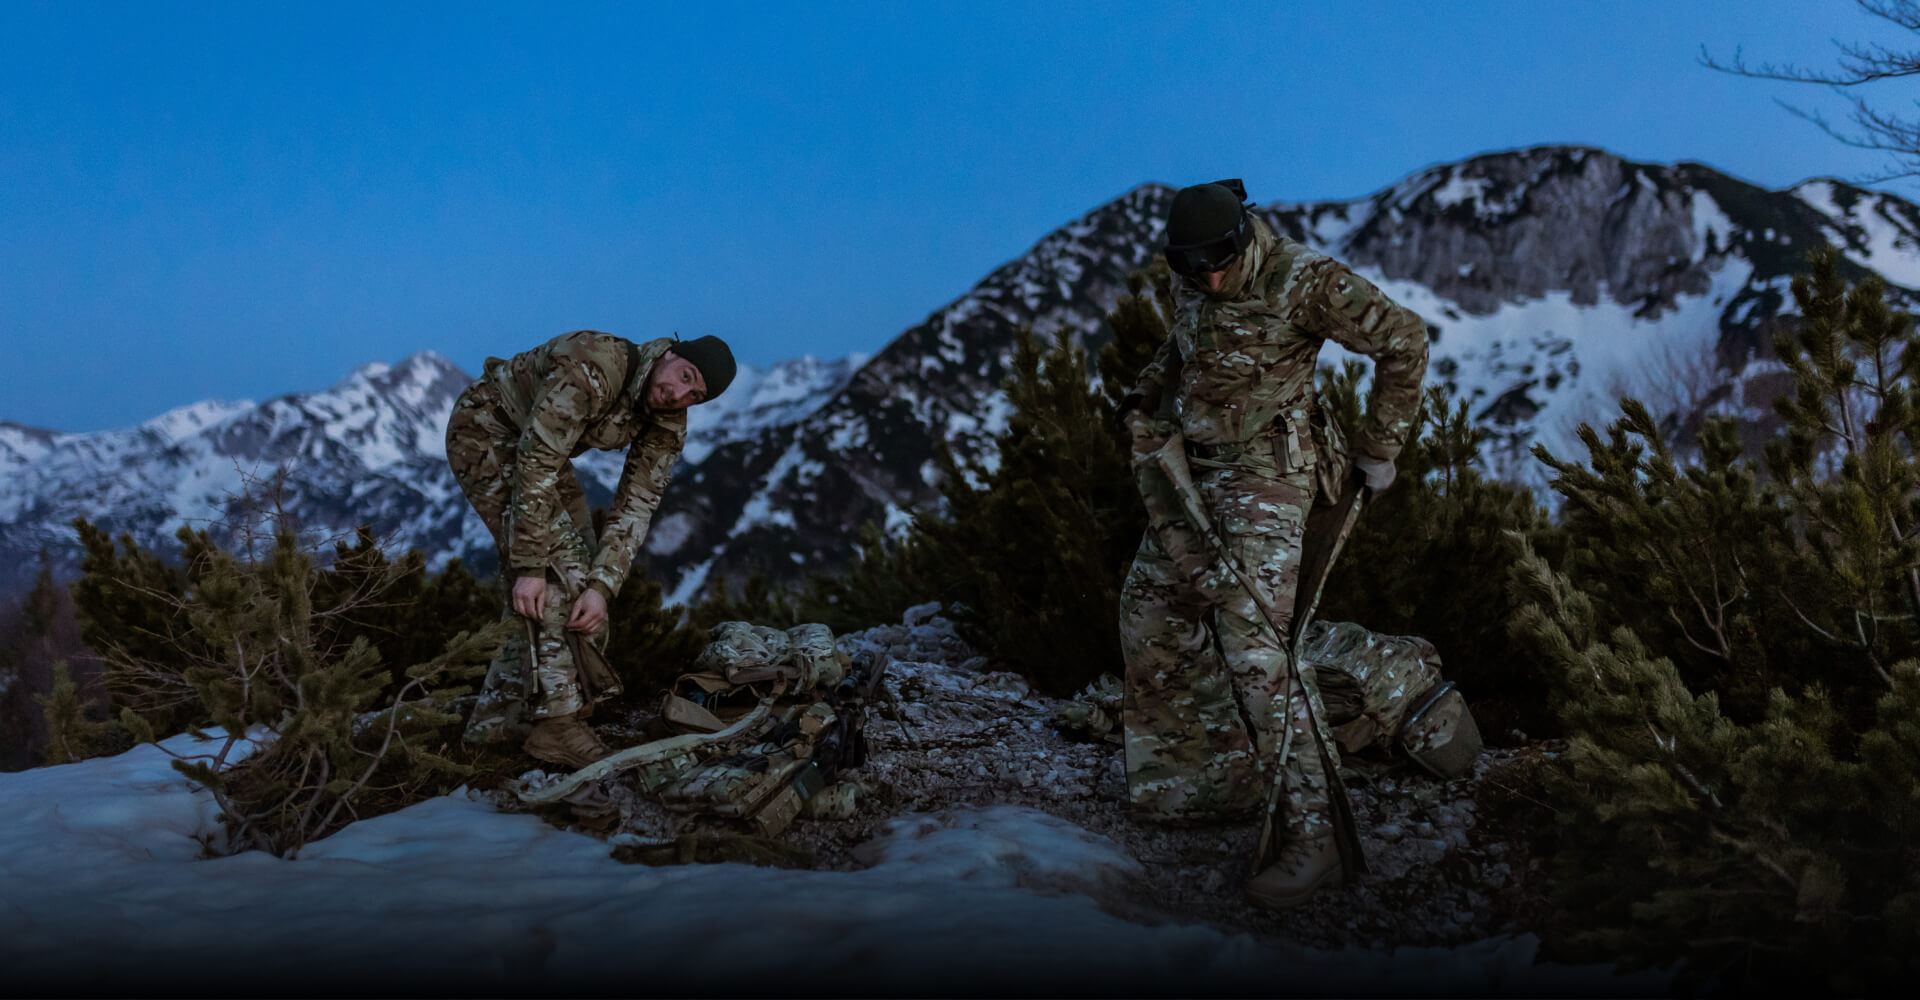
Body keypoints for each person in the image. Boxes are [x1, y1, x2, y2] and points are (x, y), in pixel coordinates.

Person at [1116, 179, 1430, 910]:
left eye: (1220, 262)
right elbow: (1185, 340)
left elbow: (1405, 339)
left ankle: (1313, 836)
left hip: (1269, 475)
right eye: (1193, 266)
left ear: (1244, 238)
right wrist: (1149, 388)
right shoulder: (1194, 275)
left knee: (1255, 648)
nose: (1211, 277)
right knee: (1150, 610)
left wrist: (1379, 447)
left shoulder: (1304, 279)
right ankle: (1203, 783)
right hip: (1192, 474)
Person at [446, 329, 736, 769]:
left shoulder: (667, 418)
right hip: (486, 433)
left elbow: (638, 503)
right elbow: (535, 460)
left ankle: (499, 722)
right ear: (670, 354)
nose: (677, 395)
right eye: (684, 375)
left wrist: (604, 585)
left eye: (694, 395)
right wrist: (529, 564)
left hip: (540, 449)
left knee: (584, 571)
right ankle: (556, 725)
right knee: (560, 572)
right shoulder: (596, 365)